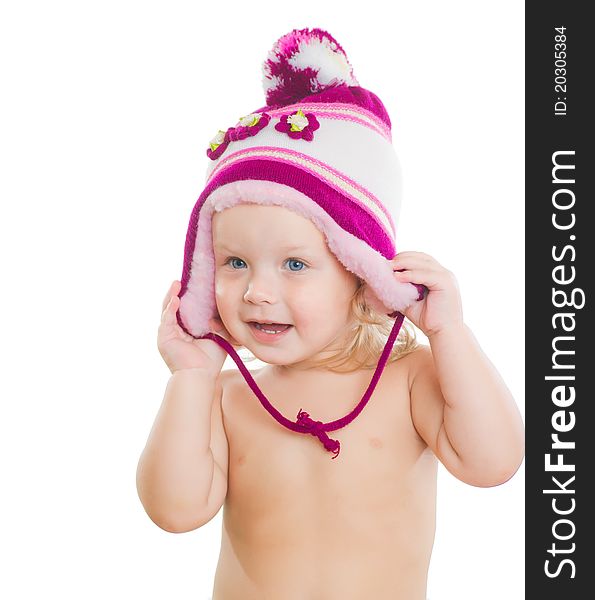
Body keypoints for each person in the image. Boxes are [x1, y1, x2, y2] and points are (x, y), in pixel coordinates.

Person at [136, 27, 525, 599]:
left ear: (362, 274)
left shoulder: (409, 378)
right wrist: (189, 377)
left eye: (295, 265)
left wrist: (450, 334)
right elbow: (174, 510)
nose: (256, 292)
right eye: (235, 262)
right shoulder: (225, 398)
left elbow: (493, 463)